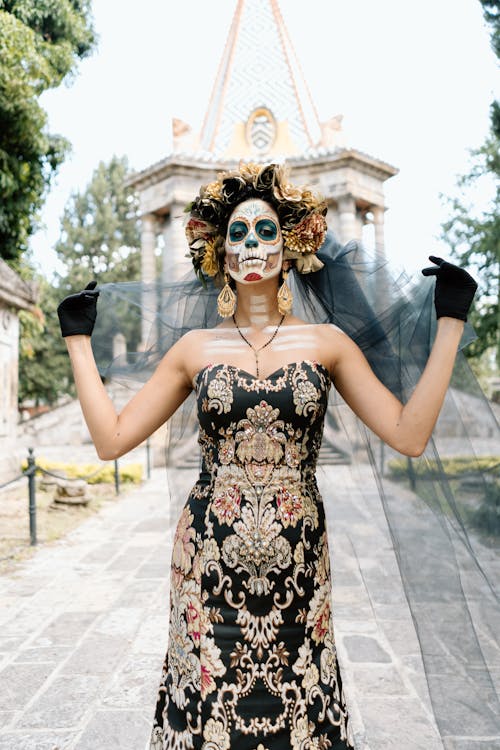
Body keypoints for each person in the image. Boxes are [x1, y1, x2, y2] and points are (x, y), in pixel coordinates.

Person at [57, 162, 478, 750]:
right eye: (237, 233)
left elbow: (408, 435)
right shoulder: (192, 349)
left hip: (298, 563)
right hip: (208, 560)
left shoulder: (328, 343)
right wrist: (78, 341)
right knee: (209, 712)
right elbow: (112, 440)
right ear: (221, 256)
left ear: (290, 247)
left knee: (299, 714)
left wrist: (451, 321)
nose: (251, 244)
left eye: (265, 231)